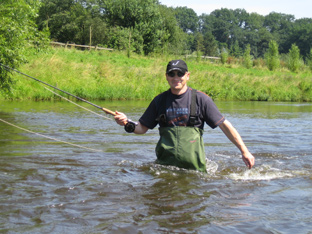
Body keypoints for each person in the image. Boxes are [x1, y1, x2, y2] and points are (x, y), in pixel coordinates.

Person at [114, 59, 255, 172]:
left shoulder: (201, 99)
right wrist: (127, 123)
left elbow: (224, 125)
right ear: (166, 77)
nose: (176, 78)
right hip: (164, 169)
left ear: (187, 76)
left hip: (195, 171)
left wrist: (244, 151)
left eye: (180, 74)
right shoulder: (159, 100)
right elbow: (142, 128)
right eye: (172, 74)